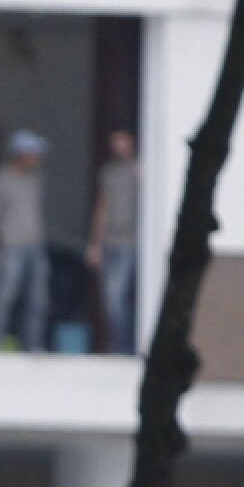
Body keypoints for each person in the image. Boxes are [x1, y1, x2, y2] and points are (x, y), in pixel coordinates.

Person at [0, 129, 51, 353]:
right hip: (10, 246)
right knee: (5, 295)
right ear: (21, 153)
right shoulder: (0, 178)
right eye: (34, 153)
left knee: (38, 299)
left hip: (36, 246)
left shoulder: (36, 180)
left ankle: (33, 343)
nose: (38, 158)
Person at [86, 129, 139, 355]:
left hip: (132, 243)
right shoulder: (108, 172)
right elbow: (102, 206)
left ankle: (126, 347)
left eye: (121, 140)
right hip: (109, 242)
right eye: (114, 140)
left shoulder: (142, 170)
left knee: (124, 296)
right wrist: (94, 244)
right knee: (112, 299)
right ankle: (119, 346)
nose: (117, 145)